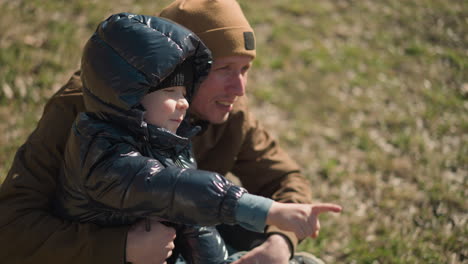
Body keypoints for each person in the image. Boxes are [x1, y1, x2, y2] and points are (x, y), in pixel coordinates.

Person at [0, 1, 340, 264]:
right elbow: (11, 229)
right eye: (224, 69)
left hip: (185, 234)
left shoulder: (228, 108)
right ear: (177, 68)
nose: (239, 87)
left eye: (245, 69)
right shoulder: (82, 109)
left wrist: (279, 244)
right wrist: (122, 248)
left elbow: (285, 179)